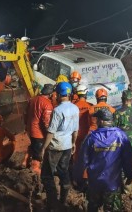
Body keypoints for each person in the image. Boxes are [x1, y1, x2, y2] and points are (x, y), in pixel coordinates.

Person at [74, 109, 132, 212]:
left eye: (97, 119)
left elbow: (82, 160)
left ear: (101, 121)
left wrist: (78, 177)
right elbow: (127, 158)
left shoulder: (91, 137)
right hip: (113, 184)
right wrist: (129, 174)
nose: (96, 122)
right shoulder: (121, 136)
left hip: (95, 183)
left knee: (93, 208)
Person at [40, 82, 79, 210]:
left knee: (47, 175)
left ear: (58, 94)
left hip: (55, 146)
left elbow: (51, 131)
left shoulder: (57, 110)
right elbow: (75, 130)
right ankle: (62, 201)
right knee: (63, 171)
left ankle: (53, 203)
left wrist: (44, 147)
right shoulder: (75, 108)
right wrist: (73, 143)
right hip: (67, 146)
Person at [22, 84, 54, 174]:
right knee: (38, 150)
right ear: (50, 94)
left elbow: (25, 113)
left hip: (30, 129)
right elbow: (46, 121)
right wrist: (49, 133)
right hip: (39, 132)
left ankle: (25, 161)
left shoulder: (33, 99)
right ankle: (35, 169)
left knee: (33, 145)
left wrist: (26, 125)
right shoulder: (47, 104)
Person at [73, 84, 93, 161]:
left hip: (75, 134)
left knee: (76, 154)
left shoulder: (73, 106)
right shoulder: (90, 106)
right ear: (85, 94)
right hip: (87, 133)